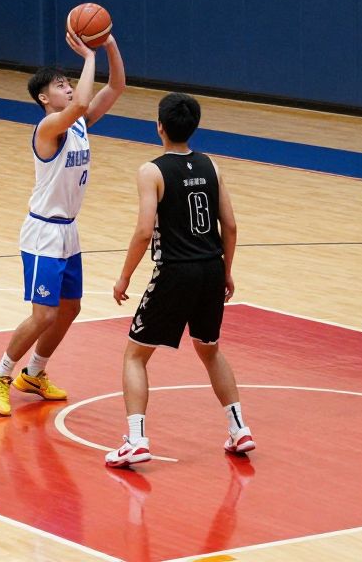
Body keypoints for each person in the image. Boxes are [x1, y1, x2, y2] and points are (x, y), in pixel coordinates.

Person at [106, 92, 253, 468]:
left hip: (175, 270)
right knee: (209, 349)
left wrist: (124, 276)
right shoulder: (212, 166)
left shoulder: (151, 171)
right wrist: (228, 270)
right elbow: (231, 225)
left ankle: (136, 440)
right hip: (210, 268)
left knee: (135, 355)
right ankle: (239, 429)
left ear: (159, 127)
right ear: (195, 126)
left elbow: (143, 232)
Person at [0, 31, 125, 416]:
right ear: (45, 98)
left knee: (70, 308)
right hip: (43, 232)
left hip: (68, 231)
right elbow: (80, 102)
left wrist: (108, 44)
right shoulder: (48, 129)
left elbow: (117, 85)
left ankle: (35, 372)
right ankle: (0, 373)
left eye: (68, 83)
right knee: (43, 313)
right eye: (60, 85)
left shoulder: (77, 124)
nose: (68, 88)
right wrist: (87, 55)